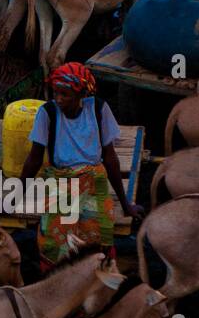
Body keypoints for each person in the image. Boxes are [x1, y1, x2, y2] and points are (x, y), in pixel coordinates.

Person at [20, 62, 142, 271]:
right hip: (60, 179)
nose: (58, 99)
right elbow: (34, 158)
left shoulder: (98, 109)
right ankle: (56, 282)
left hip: (93, 180)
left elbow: (110, 157)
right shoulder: (47, 113)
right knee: (54, 239)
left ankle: (95, 278)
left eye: (65, 95)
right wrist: (16, 192)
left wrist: (125, 203)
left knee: (100, 232)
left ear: (81, 95)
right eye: (56, 93)